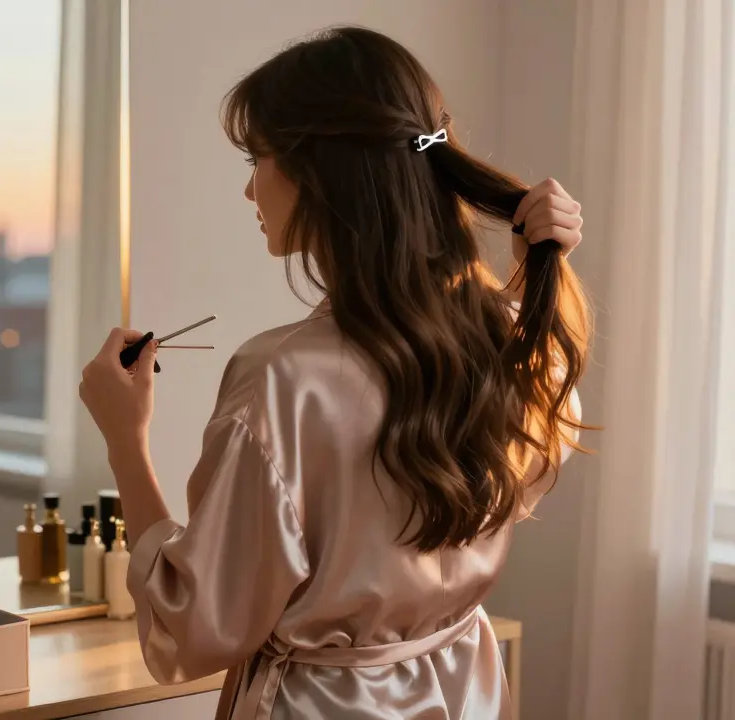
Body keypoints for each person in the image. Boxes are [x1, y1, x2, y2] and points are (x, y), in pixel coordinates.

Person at [78, 26, 591, 719]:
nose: (249, 189)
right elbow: (522, 463)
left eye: (257, 158)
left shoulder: (282, 379)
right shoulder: (502, 337)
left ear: (318, 171)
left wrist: (125, 442)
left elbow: (195, 624)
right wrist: (533, 272)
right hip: (465, 692)